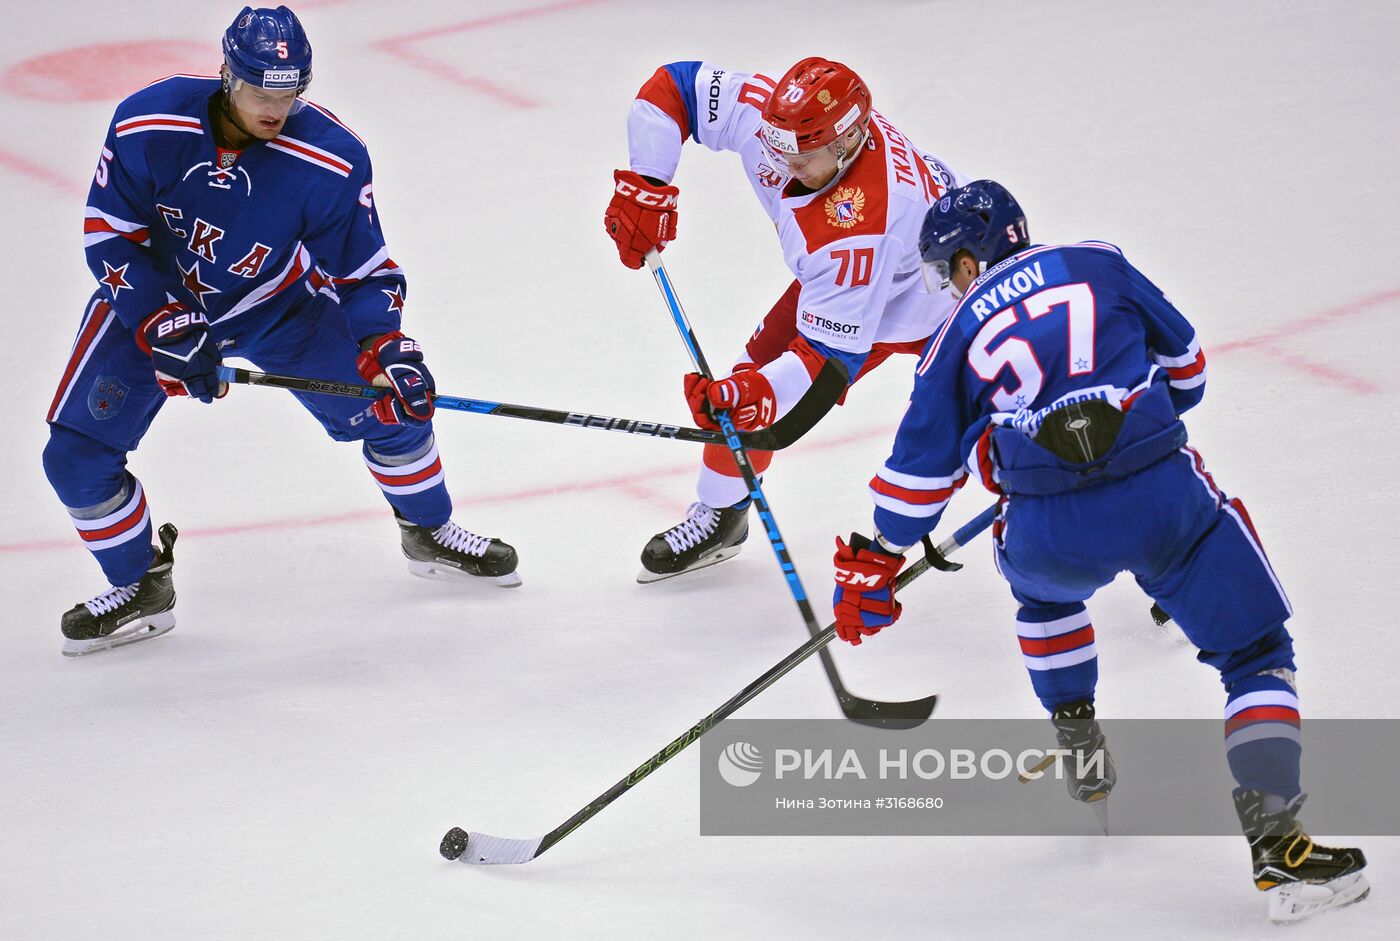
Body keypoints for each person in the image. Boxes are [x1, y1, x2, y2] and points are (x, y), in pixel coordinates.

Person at [829, 179, 1368, 924]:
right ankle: (1280, 845)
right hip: (1162, 500)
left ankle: (1077, 731)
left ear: (967, 257)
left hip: (1050, 529)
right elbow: (1189, 373)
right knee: (1255, 654)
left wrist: (878, 556)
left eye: (948, 267)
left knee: (1044, 594)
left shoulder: (950, 339)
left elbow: (914, 490)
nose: (949, 285)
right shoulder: (1097, 261)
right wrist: (1125, 435)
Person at [43, 6, 519, 657]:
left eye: (290, 93)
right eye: (262, 91)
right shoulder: (147, 122)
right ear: (227, 75)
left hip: (278, 302)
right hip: (155, 308)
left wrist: (386, 345)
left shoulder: (331, 158)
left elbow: (364, 271)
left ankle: (429, 530)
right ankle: (139, 585)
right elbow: (109, 233)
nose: (276, 107)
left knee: (394, 407)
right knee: (73, 456)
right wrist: (159, 319)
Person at [603, 57, 969, 582]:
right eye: (779, 145)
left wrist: (761, 397)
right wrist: (647, 182)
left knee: (994, 406)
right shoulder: (786, 127)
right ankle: (723, 517)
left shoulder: (860, 230)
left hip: (943, 303)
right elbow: (676, 86)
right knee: (747, 380)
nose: (783, 161)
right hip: (874, 274)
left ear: (848, 144)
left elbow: (826, 363)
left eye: (802, 156)